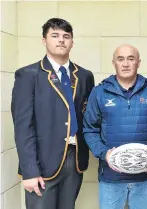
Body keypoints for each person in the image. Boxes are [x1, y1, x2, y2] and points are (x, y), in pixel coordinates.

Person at [11, 18, 95, 209]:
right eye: (55, 36)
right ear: (44, 40)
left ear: (72, 42)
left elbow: (88, 115)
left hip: (75, 159)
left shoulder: (84, 76)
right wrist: (29, 171)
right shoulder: (28, 74)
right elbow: (23, 126)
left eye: (66, 36)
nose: (61, 40)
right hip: (41, 162)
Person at [83, 44, 147, 209]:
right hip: (110, 178)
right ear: (113, 63)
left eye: (131, 59)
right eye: (120, 59)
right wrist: (104, 153)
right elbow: (90, 130)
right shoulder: (99, 92)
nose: (125, 64)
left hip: (144, 177)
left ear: (138, 62)